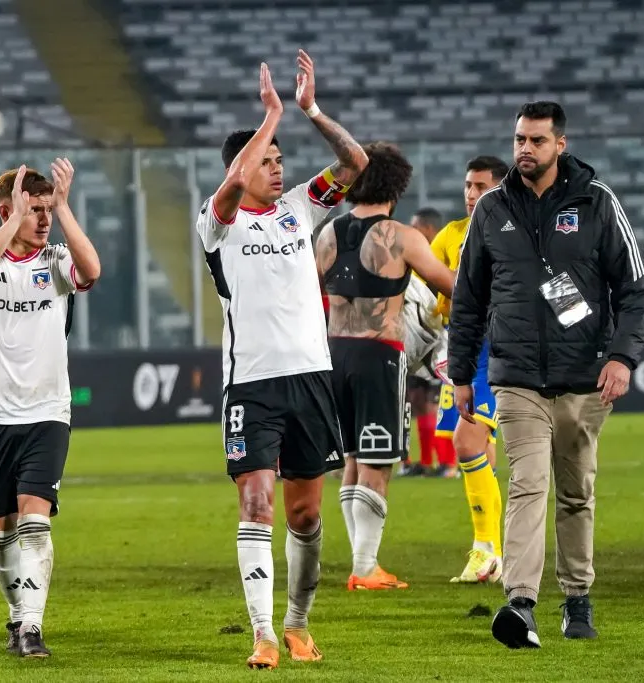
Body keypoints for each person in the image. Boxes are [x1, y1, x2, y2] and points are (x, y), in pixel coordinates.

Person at [448, 101, 644, 649]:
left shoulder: (597, 202)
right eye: (519, 139)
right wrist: (463, 373)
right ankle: (520, 604)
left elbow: (635, 292)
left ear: (560, 144)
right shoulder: (491, 209)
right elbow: (467, 298)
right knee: (528, 485)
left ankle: (577, 598)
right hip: (516, 379)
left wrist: (622, 357)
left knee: (576, 493)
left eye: (537, 140)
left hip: (585, 378)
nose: (524, 149)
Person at [195, 52, 368, 670]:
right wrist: (268, 117)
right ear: (241, 168)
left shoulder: (300, 206)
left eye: (279, 159)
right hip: (252, 387)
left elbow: (356, 165)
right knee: (256, 504)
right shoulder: (217, 223)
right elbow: (235, 185)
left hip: (311, 380)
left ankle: (297, 623)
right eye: (269, 159)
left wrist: (310, 112)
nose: (278, 166)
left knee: (305, 513)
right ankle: (262, 631)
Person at [0, 160, 101, 658]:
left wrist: (64, 207)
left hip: (46, 412)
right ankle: (17, 618)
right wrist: (9, 223)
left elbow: (93, 271)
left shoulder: (56, 261)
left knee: (35, 522)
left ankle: (32, 626)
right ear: (7, 210)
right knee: (1, 532)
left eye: (46, 209)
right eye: (33, 210)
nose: (42, 220)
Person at [315, 142, 456, 591]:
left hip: (333, 353)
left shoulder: (328, 234)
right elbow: (449, 284)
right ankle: (365, 566)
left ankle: (362, 562)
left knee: (353, 458)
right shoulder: (403, 237)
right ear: (398, 185)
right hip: (380, 355)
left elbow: (304, 294)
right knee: (377, 461)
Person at [428, 155, 509, 583]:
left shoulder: (510, 231)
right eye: (467, 186)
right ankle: (494, 550)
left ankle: (486, 549)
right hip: (461, 348)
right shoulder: (450, 235)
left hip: (495, 349)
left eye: (480, 186)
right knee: (480, 446)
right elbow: (434, 292)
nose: (471, 194)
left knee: (466, 441)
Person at [401, 206, 445, 477]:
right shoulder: (413, 260)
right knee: (417, 399)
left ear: (429, 229)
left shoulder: (438, 260)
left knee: (435, 401)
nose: (412, 230)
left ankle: (447, 463)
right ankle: (425, 462)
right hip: (414, 340)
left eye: (416, 226)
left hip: (436, 341)